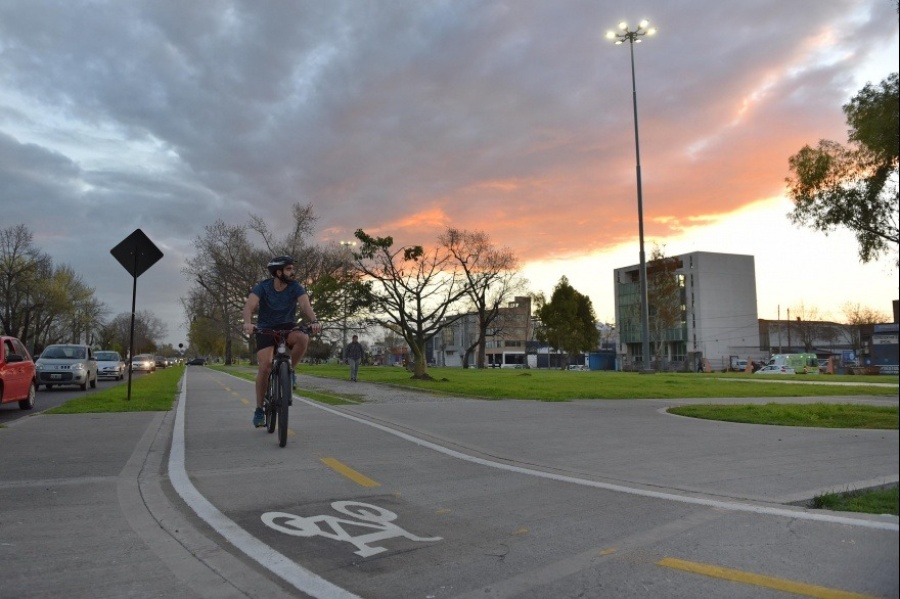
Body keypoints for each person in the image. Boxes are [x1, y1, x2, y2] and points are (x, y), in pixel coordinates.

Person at [241, 255, 321, 428]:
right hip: (265, 328)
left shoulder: (295, 287)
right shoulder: (263, 287)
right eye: (289, 269)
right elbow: (249, 306)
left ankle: (290, 370)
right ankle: (259, 410)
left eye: (292, 269)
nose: (293, 272)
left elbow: (306, 306)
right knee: (265, 367)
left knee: (303, 337)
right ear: (278, 272)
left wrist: (314, 320)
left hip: (287, 327)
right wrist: (248, 323)